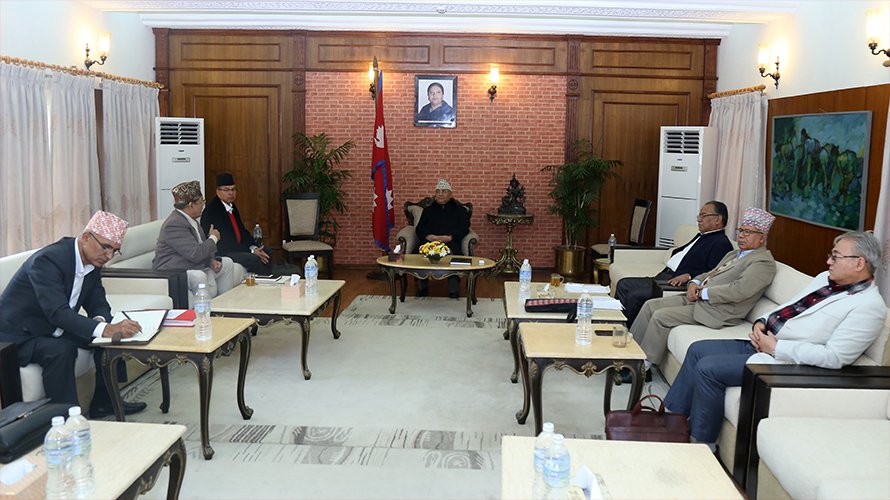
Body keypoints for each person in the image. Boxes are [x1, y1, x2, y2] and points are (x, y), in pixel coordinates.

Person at [665, 231, 886, 449]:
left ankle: (702, 444)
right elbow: (790, 306)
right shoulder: (824, 279)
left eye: (835, 257)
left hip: (787, 362)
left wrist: (776, 347)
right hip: (763, 342)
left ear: (859, 263)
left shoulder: (869, 306)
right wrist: (761, 321)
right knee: (697, 349)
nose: (829, 261)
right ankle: (672, 421)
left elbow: (835, 357)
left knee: (708, 368)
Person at [0, 211, 147, 417]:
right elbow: (57, 313)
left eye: (115, 251)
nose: (109, 256)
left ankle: (105, 402)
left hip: (54, 326)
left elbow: (98, 302)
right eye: (106, 247)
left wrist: (103, 324)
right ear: (86, 237)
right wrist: (104, 329)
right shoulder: (48, 261)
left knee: (111, 338)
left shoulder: (93, 261)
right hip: (19, 336)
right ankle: (66, 418)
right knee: (61, 349)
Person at [624, 207, 778, 383]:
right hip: (699, 299)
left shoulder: (763, 262)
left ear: (762, 238)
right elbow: (710, 273)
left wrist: (703, 293)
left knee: (661, 316)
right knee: (650, 305)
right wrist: (694, 282)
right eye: (741, 230)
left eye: (748, 232)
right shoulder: (735, 254)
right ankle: (629, 355)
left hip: (719, 310)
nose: (742, 235)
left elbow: (739, 290)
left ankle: (643, 369)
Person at [615, 201, 734, 325]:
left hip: (675, 284)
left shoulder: (721, 243)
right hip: (665, 276)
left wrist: (689, 276)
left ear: (718, 219)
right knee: (624, 284)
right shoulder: (703, 236)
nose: (699, 219)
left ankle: (628, 331)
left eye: (704, 215)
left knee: (634, 295)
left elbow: (713, 274)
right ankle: (615, 324)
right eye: (699, 216)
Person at [153, 180, 238, 302]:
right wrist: (213, 238)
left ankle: (225, 305)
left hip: (194, 265)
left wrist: (211, 260)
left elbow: (200, 247)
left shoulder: (191, 220)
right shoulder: (174, 224)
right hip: (175, 272)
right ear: (190, 205)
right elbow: (195, 254)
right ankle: (205, 311)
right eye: (201, 202)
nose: (203, 205)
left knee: (227, 263)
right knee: (198, 276)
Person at [200, 172, 272, 275]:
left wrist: (254, 247)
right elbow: (226, 241)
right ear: (218, 192)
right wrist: (251, 251)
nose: (231, 193)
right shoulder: (212, 211)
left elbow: (242, 231)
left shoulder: (232, 206)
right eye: (226, 190)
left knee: (266, 250)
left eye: (233, 189)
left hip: (238, 248)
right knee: (253, 258)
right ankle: (261, 281)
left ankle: (269, 280)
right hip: (224, 251)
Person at [415, 179, 470, 298]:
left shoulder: (460, 210)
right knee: (419, 253)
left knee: (453, 255)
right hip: (430, 242)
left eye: (444, 191)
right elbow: (419, 228)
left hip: (450, 242)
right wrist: (429, 236)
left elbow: (465, 228)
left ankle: (454, 290)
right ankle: (422, 287)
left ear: (450, 194)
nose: (440, 194)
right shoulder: (428, 210)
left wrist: (450, 237)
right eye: (438, 191)